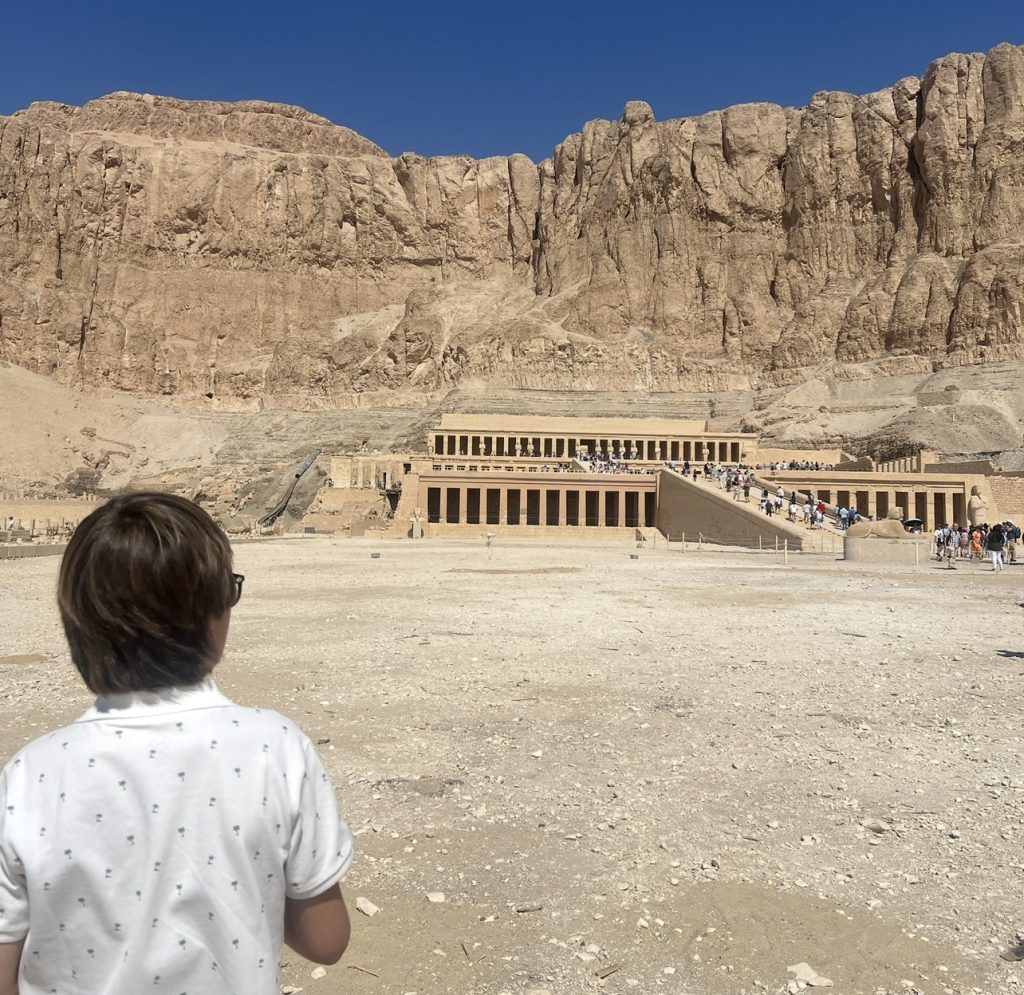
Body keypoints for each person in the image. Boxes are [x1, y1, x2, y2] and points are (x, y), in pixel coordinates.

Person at [0, 492, 353, 994]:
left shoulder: (29, 775)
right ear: (213, 616)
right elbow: (326, 940)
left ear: (76, 623)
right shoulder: (276, 749)